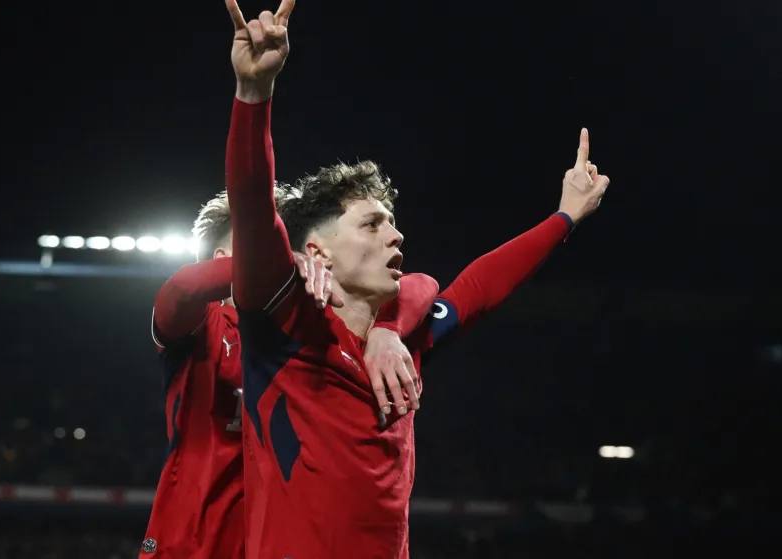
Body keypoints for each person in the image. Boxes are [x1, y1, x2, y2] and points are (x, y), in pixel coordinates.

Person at [222, 1, 611, 557]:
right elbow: (254, 204)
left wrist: (565, 216)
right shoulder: (283, 320)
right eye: (372, 224)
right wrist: (254, 95)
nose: (395, 237)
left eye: (395, 225)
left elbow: (474, 289)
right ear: (317, 252)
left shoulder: (406, 344)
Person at [138, 189, 438, 558]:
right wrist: (271, 263)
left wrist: (386, 327)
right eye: (264, 244)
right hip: (189, 544)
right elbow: (180, 289)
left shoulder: (307, 331)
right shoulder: (202, 327)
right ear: (223, 258)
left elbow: (421, 283)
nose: (281, 251)